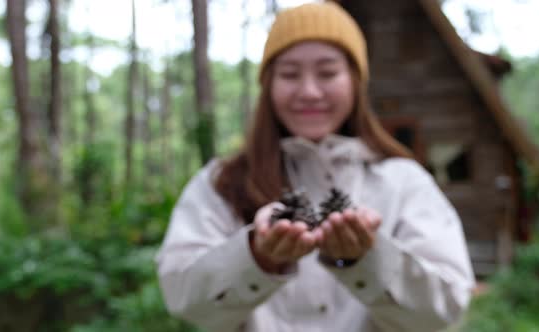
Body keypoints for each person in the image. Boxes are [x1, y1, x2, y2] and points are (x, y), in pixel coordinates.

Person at [156, 2, 475, 331]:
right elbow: (183, 301)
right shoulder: (222, 181)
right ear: (268, 86)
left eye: (327, 72)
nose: (309, 91)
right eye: (290, 74)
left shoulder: (404, 181)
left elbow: (446, 309)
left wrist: (367, 260)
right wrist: (256, 257)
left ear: (354, 81)